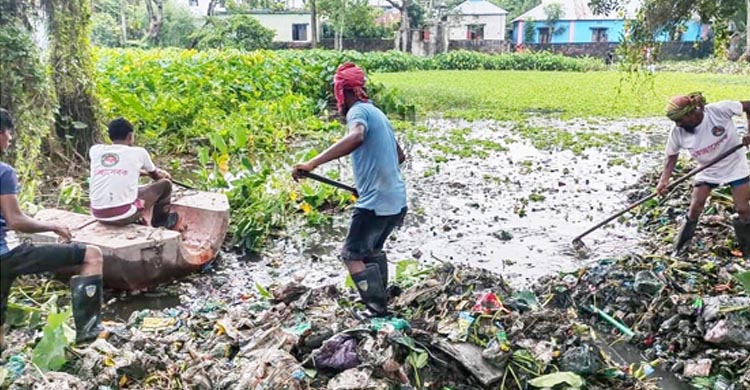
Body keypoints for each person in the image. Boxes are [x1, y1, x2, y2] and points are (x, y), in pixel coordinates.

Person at [292, 62, 407, 316]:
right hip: (396, 199)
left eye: (339, 93)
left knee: (351, 255)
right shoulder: (377, 113)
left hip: (376, 201)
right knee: (371, 251)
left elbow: (357, 137)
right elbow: (399, 156)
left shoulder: (358, 112)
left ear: (346, 92)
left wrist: (313, 162)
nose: (339, 100)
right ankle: (380, 301)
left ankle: (376, 309)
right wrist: (366, 185)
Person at [0, 108, 105, 350]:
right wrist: (53, 226)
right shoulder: (4, 172)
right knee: (92, 255)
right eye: (8, 133)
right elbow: (15, 220)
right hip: (7, 254)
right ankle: (89, 333)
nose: (11, 139)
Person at [656, 94, 750, 257]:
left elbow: (748, 105)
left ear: (692, 113)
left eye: (680, 119)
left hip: (734, 165)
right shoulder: (678, 131)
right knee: (695, 208)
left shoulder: (719, 111)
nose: (678, 124)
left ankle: (748, 251)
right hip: (707, 170)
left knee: (743, 209)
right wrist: (664, 180)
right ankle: (679, 250)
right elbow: (672, 156)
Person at [89, 118, 178, 228]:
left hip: (98, 214)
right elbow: (157, 177)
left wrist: (144, 173)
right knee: (165, 184)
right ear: (130, 136)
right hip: (123, 215)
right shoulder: (139, 152)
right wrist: (163, 174)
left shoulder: (95, 150)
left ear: (110, 136)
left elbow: (118, 169)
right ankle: (160, 222)